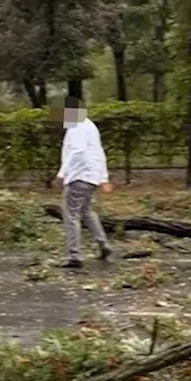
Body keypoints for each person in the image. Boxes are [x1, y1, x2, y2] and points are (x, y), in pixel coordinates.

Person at [54, 97, 115, 268]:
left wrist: (62, 174)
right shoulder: (90, 126)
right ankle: (103, 244)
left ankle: (74, 255)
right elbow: (99, 152)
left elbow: (77, 152)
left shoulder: (77, 127)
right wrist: (103, 178)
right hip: (91, 178)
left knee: (71, 215)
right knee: (86, 211)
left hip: (79, 176)